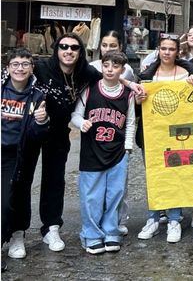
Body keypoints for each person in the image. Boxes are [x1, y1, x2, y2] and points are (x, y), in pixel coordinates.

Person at [14, 33, 142, 252]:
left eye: (74, 47)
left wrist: (129, 83)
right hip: (30, 130)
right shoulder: (42, 67)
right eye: (63, 46)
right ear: (56, 49)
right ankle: (18, 232)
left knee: (54, 181)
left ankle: (51, 228)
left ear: (80, 52)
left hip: (58, 133)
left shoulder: (85, 72)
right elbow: (17, 73)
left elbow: (109, 74)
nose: (69, 51)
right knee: (22, 180)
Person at [71, 52, 136, 254]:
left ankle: (111, 231)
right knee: (91, 195)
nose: (109, 69)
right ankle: (91, 234)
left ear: (123, 70)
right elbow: (74, 115)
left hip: (117, 151)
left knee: (115, 194)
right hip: (92, 149)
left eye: (115, 66)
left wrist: (127, 146)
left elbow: (131, 121)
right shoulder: (90, 89)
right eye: (106, 65)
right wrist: (81, 123)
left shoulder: (128, 94)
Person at [136, 33, 193, 243]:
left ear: (177, 51)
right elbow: (137, 107)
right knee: (153, 175)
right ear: (158, 50)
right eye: (163, 48)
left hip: (179, 133)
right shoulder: (147, 75)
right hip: (152, 134)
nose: (167, 53)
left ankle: (174, 219)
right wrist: (138, 100)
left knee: (175, 175)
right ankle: (153, 218)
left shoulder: (187, 73)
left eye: (171, 49)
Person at [2, 48, 49, 260]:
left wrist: (41, 121)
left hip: (19, 154)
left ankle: (17, 234)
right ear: (8, 68)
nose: (20, 68)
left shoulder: (37, 96)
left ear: (31, 68)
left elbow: (36, 135)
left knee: (13, 195)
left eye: (25, 64)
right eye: (15, 64)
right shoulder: (2, 89)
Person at [88, 30, 136, 235]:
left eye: (113, 46)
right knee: (95, 183)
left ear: (120, 48)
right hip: (95, 132)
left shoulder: (127, 71)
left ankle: (118, 219)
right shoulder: (91, 68)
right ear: (100, 47)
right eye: (105, 45)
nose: (108, 49)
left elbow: (130, 94)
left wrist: (127, 82)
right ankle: (96, 220)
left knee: (119, 183)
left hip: (118, 133)